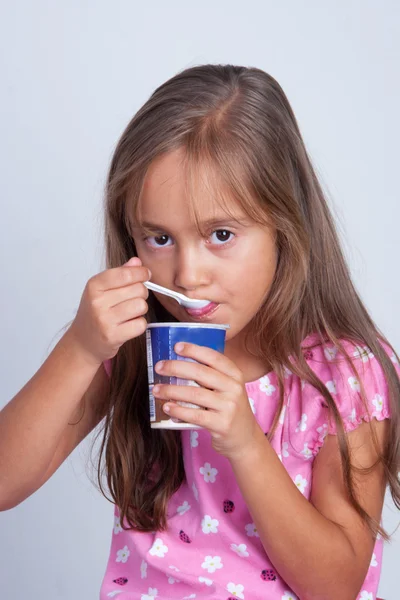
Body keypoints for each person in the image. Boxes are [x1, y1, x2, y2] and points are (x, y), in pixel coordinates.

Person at [0, 64, 399, 600]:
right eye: (159, 238)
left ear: (286, 226)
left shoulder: (345, 375)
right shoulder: (139, 347)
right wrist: (80, 348)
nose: (187, 275)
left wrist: (245, 443)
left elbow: (335, 586)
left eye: (221, 234)